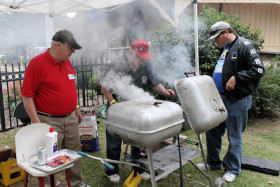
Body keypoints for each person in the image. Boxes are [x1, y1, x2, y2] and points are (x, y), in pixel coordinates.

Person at [21, 29, 90, 187]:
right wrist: (35, 121)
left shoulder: (65, 61)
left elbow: (70, 87)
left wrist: (76, 108)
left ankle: (76, 183)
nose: (72, 52)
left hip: (70, 118)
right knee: (47, 156)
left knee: (74, 153)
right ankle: (48, 184)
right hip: (48, 119)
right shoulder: (37, 63)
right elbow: (26, 95)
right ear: (59, 44)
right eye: (71, 49)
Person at [198, 21, 265, 182]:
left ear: (226, 32)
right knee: (212, 132)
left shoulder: (244, 45)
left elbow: (259, 69)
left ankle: (232, 169)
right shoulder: (225, 49)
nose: (215, 41)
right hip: (218, 98)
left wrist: (237, 77)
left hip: (236, 100)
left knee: (234, 136)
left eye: (216, 37)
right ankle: (213, 162)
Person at [101, 40, 175, 183]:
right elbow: (104, 85)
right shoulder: (118, 64)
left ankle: (138, 169)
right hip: (117, 105)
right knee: (114, 141)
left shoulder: (145, 65)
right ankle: (111, 170)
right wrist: (113, 103)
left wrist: (165, 92)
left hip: (136, 108)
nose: (142, 60)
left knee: (138, 139)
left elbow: (155, 84)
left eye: (144, 57)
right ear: (131, 52)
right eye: (140, 56)